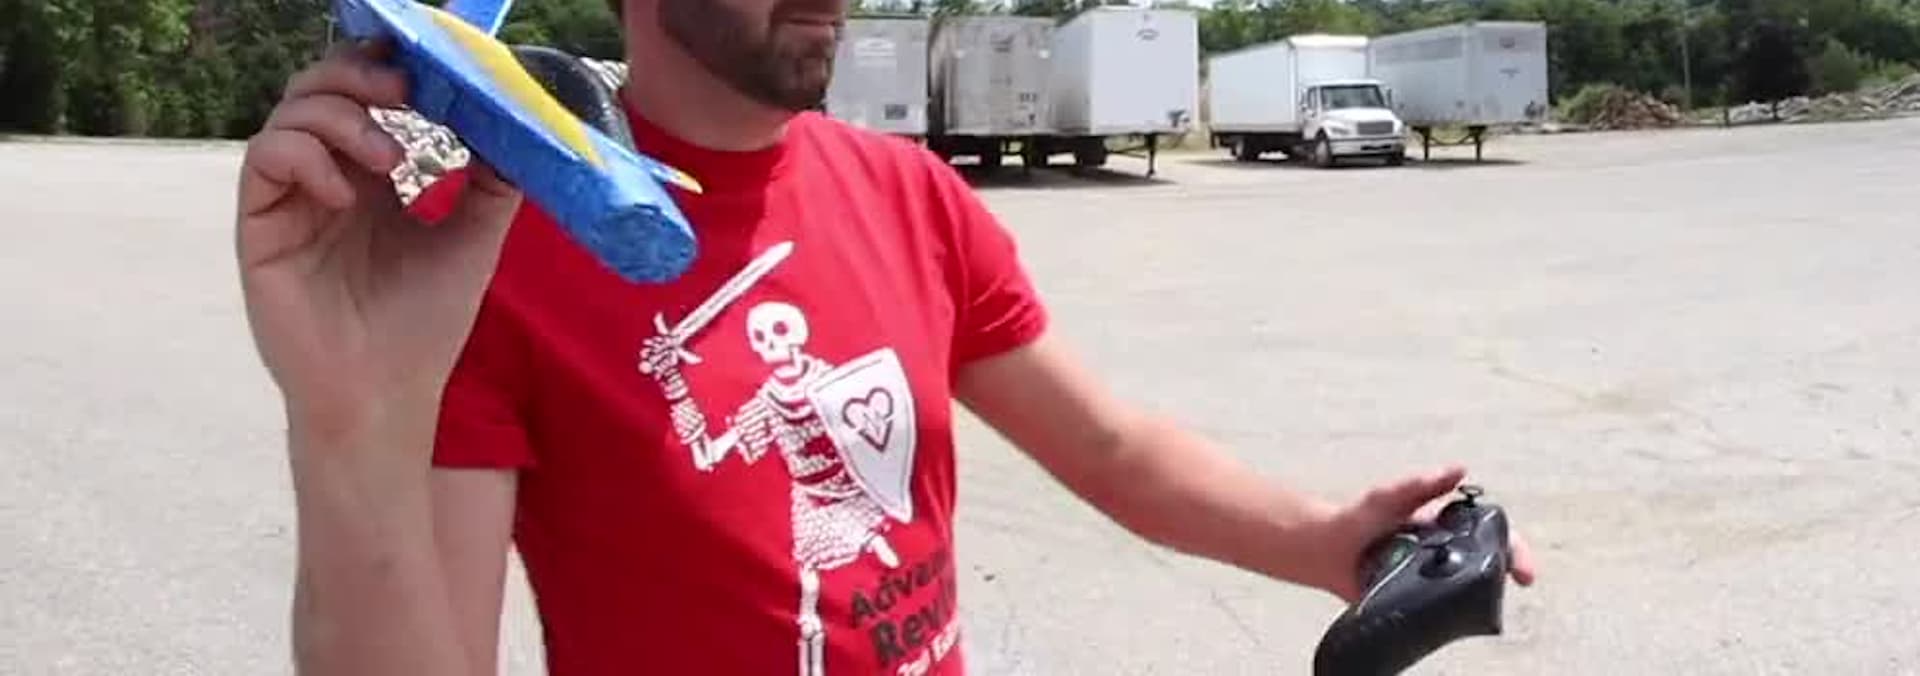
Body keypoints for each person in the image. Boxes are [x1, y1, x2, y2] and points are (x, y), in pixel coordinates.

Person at [233, 0, 1537, 674]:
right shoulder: (497, 259)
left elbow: (1113, 449)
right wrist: (348, 426)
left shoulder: (907, 191)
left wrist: (1326, 540)